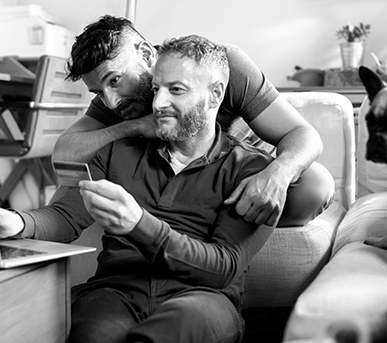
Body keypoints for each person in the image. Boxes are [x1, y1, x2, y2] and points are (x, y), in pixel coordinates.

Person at [0, 35, 279, 343]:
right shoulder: (118, 151)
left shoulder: (252, 170)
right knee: (91, 335)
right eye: (155, 89)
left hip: (203, 298)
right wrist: (17, 221)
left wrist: (139, 224)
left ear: (215, 94)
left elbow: (223, 267)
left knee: (166, 334)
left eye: (176, 90)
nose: (157, 103)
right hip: (116, 291)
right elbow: (67, 215)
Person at [51, 15, 334, 227]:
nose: (111, 101)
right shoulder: (117, 100)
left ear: (147, 55)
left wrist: (278, 174)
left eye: (114, 80)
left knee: (315, 185)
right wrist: (139, 125)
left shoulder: (221, 66)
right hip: (164, 189)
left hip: (233, 180)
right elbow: (65, 153)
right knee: (71, 189)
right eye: (99, 92)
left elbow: (301, 133)